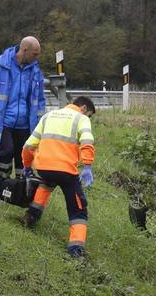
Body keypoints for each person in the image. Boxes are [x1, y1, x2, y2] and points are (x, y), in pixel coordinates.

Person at [19, 96, 97, 258]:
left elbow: (29, 145)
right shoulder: (81, 118)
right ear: (83, 108)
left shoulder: (49, 115)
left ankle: (30, 217)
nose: (88, 117)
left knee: (46, 186)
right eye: (89, 114)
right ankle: (76, 249)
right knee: (78, 208)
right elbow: (87, 140)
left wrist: (27, 166)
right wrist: (87, 165)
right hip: (66, 170)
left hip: (44, 167)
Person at [0, 37, 46, 198]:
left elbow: (39, 99)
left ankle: (21, 190)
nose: (37, 57)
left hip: (25, 123)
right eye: (35, 54)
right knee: (6, 152)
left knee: (23, 156)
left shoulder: (35, 71)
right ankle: (2, 187)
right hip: (2, 121)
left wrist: (40, 123)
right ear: (24, 50)